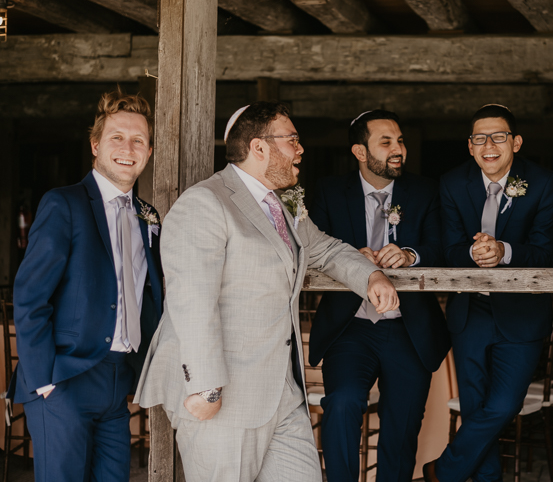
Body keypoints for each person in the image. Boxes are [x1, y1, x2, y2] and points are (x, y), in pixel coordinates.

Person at [135, 101, 399, 482]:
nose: (300, 149)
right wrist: (207, 388)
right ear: (259, 147)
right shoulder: (205, 203)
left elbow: (325, 249)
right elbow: (192, 303)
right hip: (223, 396)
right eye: (292, 139)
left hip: (282, 393)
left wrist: (371, 276)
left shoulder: (282, 206)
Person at [10, 90, 163, 481]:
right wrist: (44, 379)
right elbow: (30, 296)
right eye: (117, 137)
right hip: (65, 378)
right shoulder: (64, 204)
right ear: (95, 145)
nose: (128, 148)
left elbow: (148, 296)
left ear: (148, 151)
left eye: (138, 140)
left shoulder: (148, 216)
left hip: (117, 382)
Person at [309, 109, 450, 482]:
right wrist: (350, 257)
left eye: (400, 140)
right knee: (342, 403)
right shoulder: (328, 191)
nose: (397, 149)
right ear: (359, 151)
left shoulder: (424, 190)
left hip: (408, 327)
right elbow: (311, 248)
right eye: (385, 142)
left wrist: (410, 255)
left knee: (401, 425)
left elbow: (441, 246)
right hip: (350, 326)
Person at [424, 104, 553, 482]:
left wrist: (504, 251)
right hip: (470, 312)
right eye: (480, 138)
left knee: (503, 405)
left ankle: (443, 472)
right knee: (473, 407)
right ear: (470, 146)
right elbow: (448, 248)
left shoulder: (544, 182)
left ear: (515, 142)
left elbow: (545, 250)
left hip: (521, 313)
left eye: (498, 136)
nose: (489, 145)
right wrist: (472, 252)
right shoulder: (453, 183)